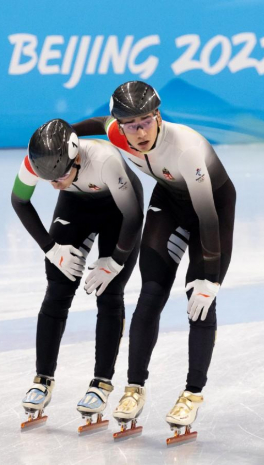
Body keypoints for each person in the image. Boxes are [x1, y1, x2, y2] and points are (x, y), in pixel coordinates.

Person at [72, 81, 236, 441]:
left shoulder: (185, 149)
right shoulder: (116, 132)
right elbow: (95, 125)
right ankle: (134, 389)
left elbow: (207, 216)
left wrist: (210, 277)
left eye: (146, 121)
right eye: (131, 125)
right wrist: (63, 134)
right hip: (170, 202)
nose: (140, 132)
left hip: (212, 209)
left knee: (199, 301)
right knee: (149, 295)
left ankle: (192, 394)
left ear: (158, 117)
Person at [11, 119, 144, 432]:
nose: (54, 184)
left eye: (60, 177)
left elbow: (133, 215)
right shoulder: (36, 160)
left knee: (109, 292)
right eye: (48, 180)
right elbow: (19, 200)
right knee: (57, 288)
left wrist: (115, 261)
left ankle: (101, 383)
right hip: (76, 207)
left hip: (119, 211)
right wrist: (50, 248)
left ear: (76, 159)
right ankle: (42, 379)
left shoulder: (105, 160)